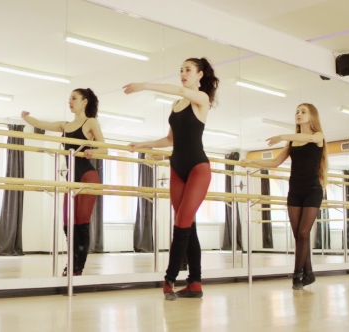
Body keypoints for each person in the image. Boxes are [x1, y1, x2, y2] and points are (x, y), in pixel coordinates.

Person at [124, 57, 219, 300]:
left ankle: (169, 279)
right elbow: (169, 140)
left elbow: (179, 89)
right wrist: (143, 144)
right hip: (177, 167)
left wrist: (145, 85)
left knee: (183, 222)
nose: (183, 73)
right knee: (187, 224)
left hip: (198, 167)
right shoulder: (176, 104)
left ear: (199, 75)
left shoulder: (202, 100)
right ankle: (194, 283)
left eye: (188, 69)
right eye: (181, 70)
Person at [240, 103, 328, 290]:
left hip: (313, 190)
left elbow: (308, 137)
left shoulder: (317, 137)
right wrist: (251, 161)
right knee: (298, 235)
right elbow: (274, 162)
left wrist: (282, 136)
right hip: (294, 190)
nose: (298, 114)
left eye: (303, 112)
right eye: (297, 111)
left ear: (312, 116)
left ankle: (297, 275)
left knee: (304, 233)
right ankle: (309, 273)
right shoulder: (292, 143)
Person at [21, 88, 107, 276]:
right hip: (71, 179)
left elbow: (104, 149)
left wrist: (93, 152)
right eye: (69, 99)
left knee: (81, 222)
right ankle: (72, 262)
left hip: (87, 176)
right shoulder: (65, 125)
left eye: (74, 98)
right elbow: (41, 123)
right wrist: (27, 118)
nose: (70, 101)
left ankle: (77, 267)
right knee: (68, 223)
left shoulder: (90, 122)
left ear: (84, 101)